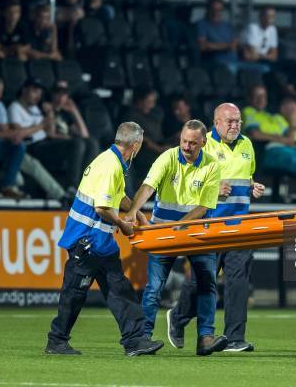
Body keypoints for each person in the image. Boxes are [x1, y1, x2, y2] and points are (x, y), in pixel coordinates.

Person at [46, 121, 164, 356]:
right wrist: (123, 224)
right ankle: (57, 340)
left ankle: (134, 341)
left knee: (117, 289)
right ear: (136, 144)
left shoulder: (108, 160)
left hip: (97, 241)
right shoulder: (111, 166)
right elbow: (101, 207)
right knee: (77, 292)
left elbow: (118, 197)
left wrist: (139, 215)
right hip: (89, 240)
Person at [124, 120, 227, 356]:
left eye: (192, 143)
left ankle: (205, 339)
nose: (187, 146)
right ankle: (143, 338)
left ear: (203, 142)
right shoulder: (167, 158)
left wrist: (179, 226)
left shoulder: (211, 166)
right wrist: (131, 213)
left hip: (195, 232)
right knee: (154, 288)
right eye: (184, 141)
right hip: (162, 231)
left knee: (207, 284)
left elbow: (204, 206)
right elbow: (148, 187)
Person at [169, 103, 265, 352]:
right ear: (216, 123)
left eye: (238, 121)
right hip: (209, 225)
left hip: (238, 225)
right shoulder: (203, 144)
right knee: (204, 281)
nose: (235, 125)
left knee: (238, 280)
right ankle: (178, 318)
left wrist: (254, 186)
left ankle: (234, 338)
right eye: (230, 121)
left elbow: (248, 175)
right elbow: (185, 182)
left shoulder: (247, 145)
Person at [197, 0, 239, 73]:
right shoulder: (202, 25)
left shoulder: (227, 25)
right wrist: (227, 46)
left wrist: (214, 45)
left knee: (260, 69)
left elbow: (234, 45)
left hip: (235, 62)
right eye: (214, 9)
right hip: (216, 63)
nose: (216, 12)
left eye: (219, 10)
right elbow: (203, 46)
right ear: (208, 9)